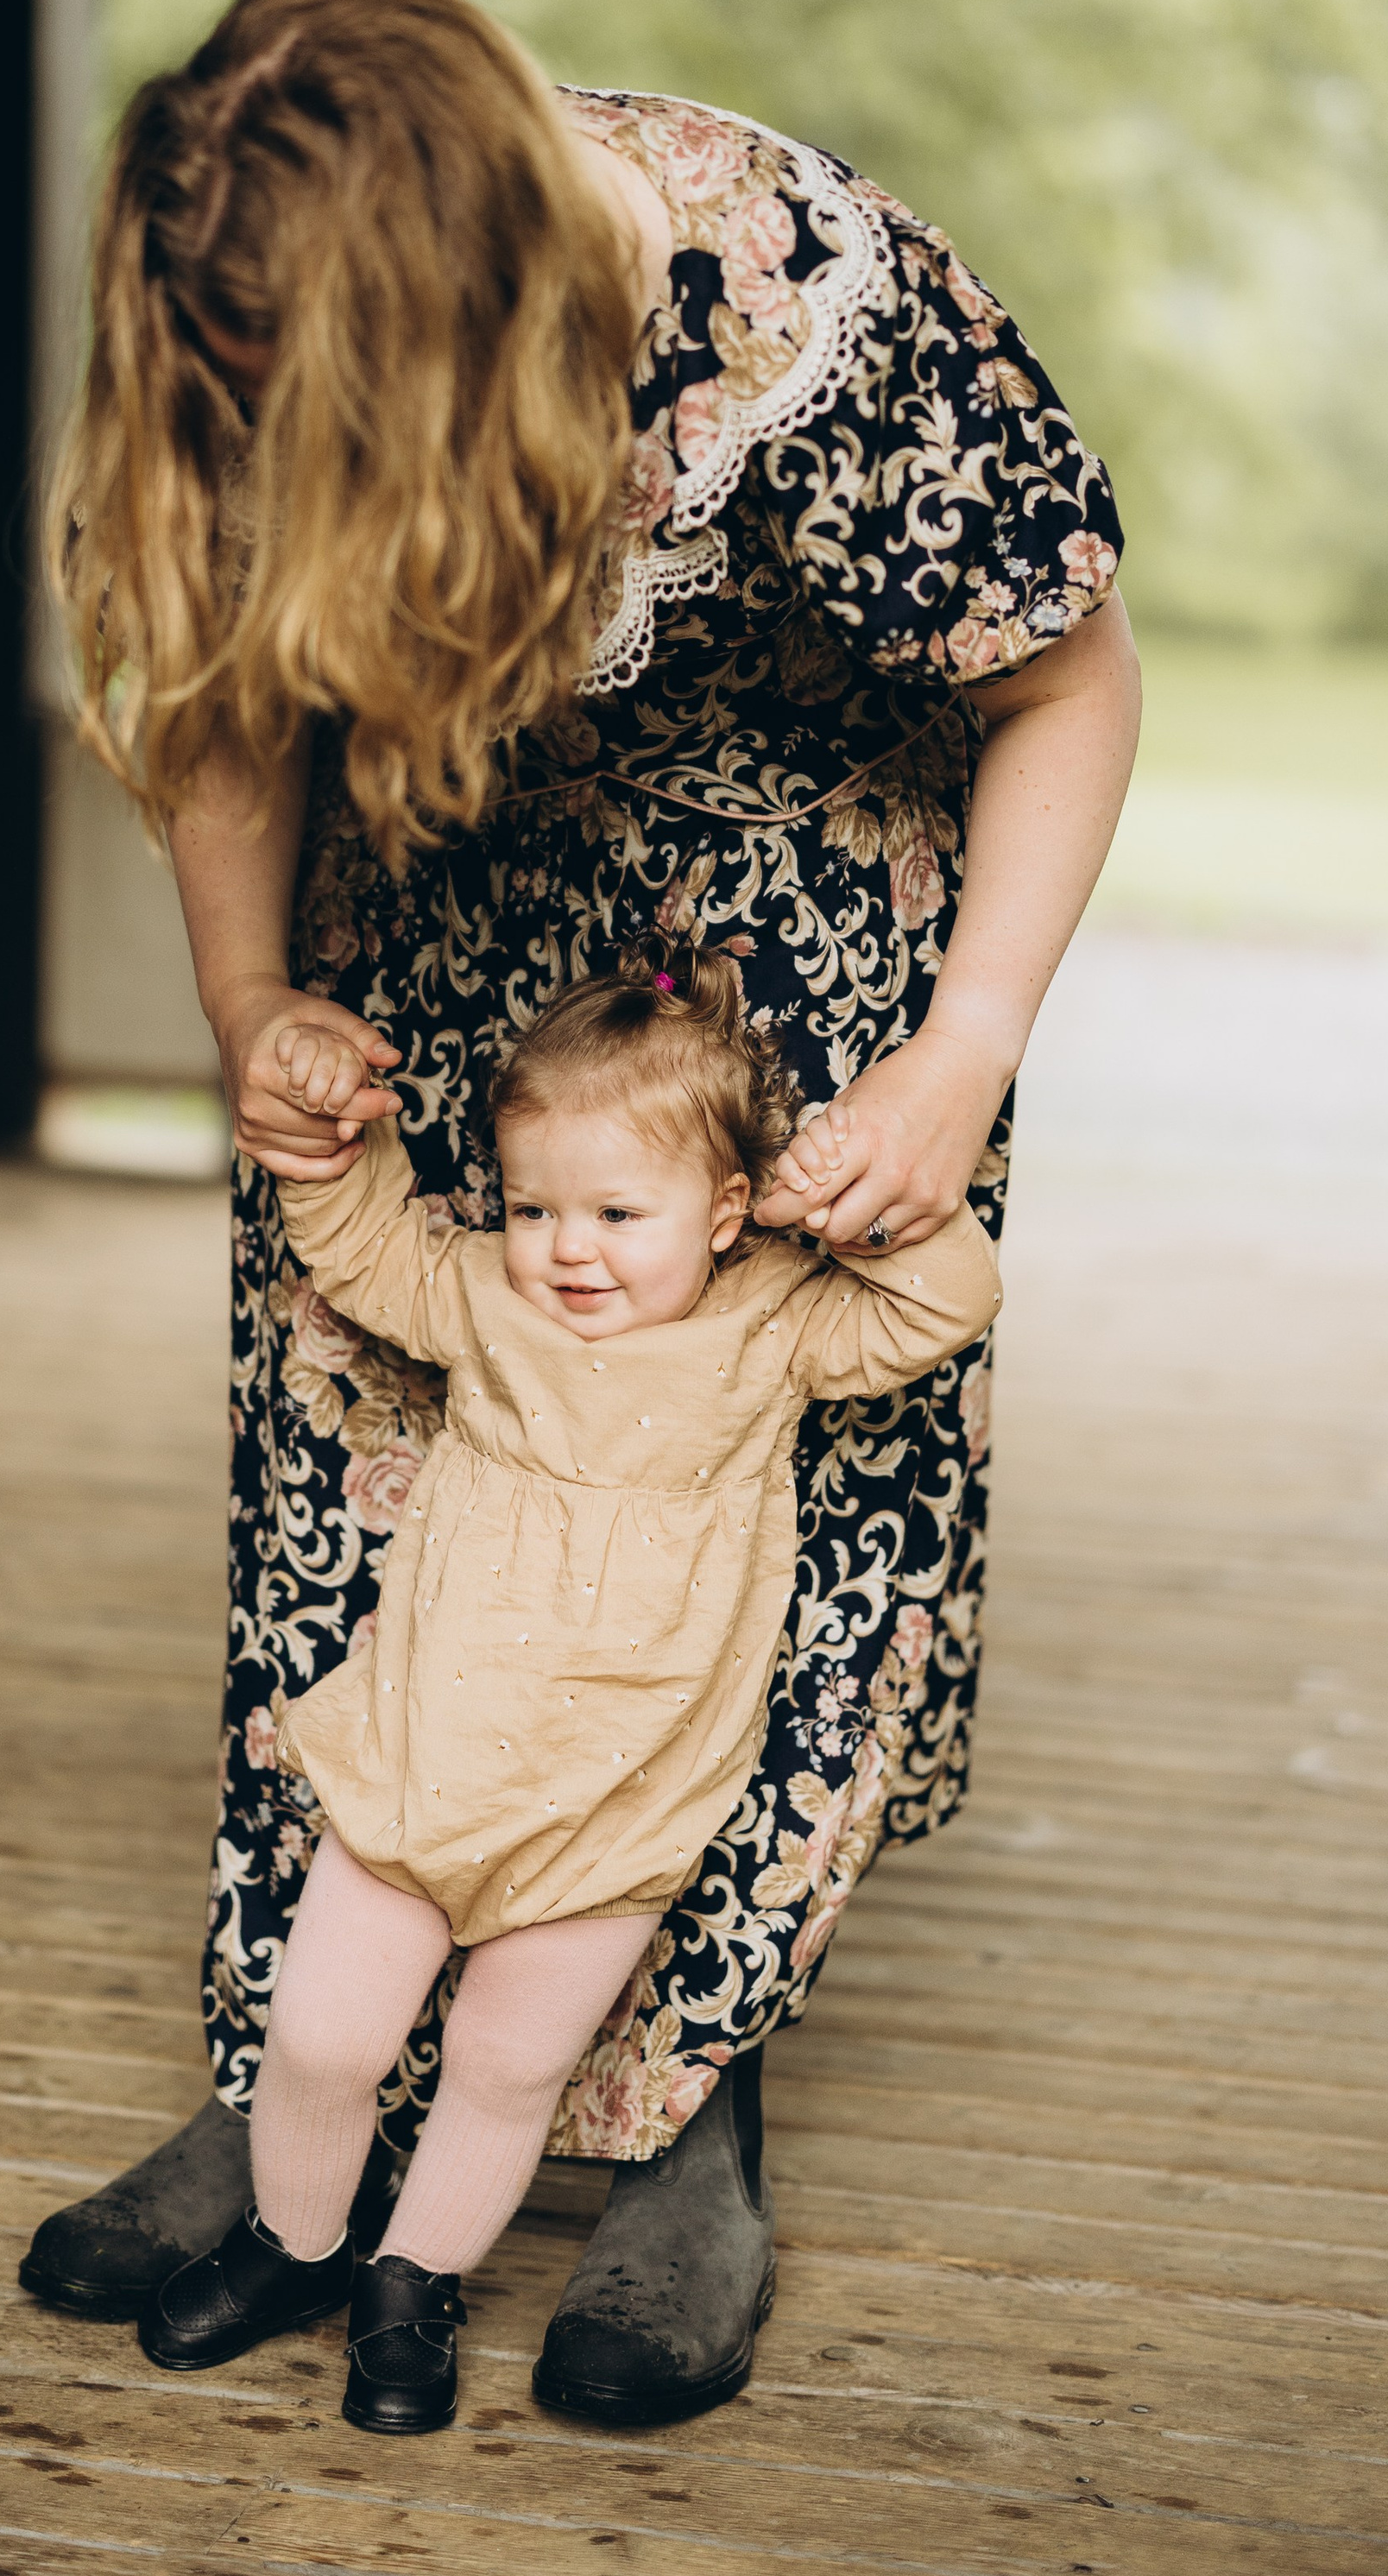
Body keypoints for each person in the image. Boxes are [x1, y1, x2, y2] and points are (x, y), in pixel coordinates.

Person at [21, 0, 1139, 2423]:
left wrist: (961, 1050)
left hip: (804, 986)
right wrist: (245, 1004)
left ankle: (680, 2117)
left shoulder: (802, 310)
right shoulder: (254, 303)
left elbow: (1068, 675)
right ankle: (291, 2062)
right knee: (363, 1467)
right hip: (437, 933)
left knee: (765, 1529)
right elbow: (225, 691)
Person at [136, 945, 1001, 2430]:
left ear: (727, 1212)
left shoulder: (775, 1325)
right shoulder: (492, 1299)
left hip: (617, 1804)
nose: (567, 1248)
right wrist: (336, 1130)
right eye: (535, 1205)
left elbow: (946, 1304)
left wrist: (842, 1187)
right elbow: (365, 1248)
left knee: (502, 2061)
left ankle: (416, 2278)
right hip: (428, 1759)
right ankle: (297, 2243)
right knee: (327, 2034)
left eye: (617, 1212)